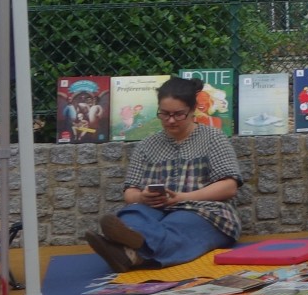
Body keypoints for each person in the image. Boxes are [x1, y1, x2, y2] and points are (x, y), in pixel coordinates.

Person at [85, 76, 244, 271]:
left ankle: (129, 253)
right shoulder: (147, 145)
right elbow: (130, 193)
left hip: (203, 210)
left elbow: (229, 186)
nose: (170, 120)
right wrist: (142, 197)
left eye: (178, 114)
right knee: (133, 214)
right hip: (155, 210)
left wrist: (183, 197)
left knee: (180, 223)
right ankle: (131, 251)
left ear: (192, 110)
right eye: (164, 114)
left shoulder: (213, 138)